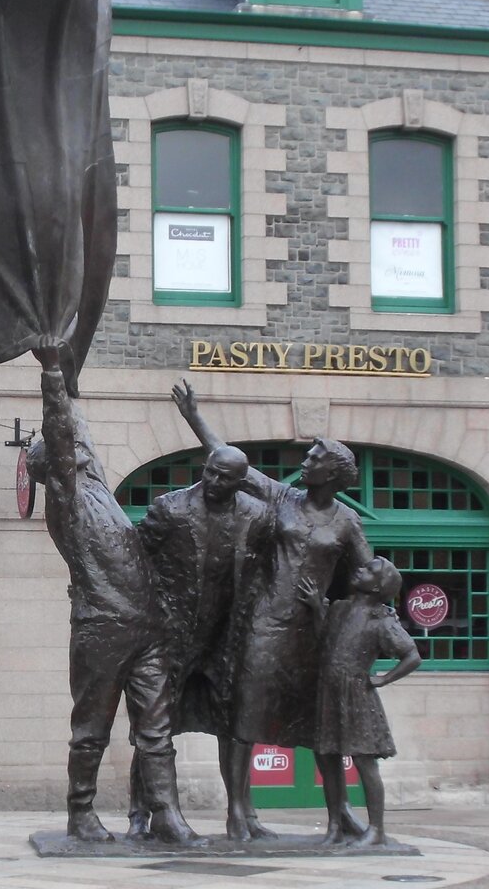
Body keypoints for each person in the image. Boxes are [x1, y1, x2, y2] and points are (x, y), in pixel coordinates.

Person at [172, 380, 373, 839]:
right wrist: (194, 417)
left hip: (311, 630)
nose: (305, 462)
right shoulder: (283, 498)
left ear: (333, 473)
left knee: (320, 722)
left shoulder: (347, 521)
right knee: (242, 716)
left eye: (314, 459)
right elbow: (231, 464)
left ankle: (339, 812)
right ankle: (240, 813)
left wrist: (348, 620)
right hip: (262, 624)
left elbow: (370, 579)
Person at [26, 337, 201, 844]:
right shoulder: (66, 492)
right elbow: (61, 428)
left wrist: (71, 370)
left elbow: (74, 426)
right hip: (102, 626)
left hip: (146, 627)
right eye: (72, 449)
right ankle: (80, 813)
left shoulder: (95, 483)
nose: (83, 448)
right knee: (91, 727)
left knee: (156, 728)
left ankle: (165, 813)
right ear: (55, 464)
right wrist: (53, 372)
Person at [127, 445, 273, 840]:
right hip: (170, 634)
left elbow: (265, 571)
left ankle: (241, 815)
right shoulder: (170, 509)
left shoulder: (258, 515)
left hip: (225, 635)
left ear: (240, 481)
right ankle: (141, 815)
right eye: (209, 472)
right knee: (154, 726)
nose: (212, 481)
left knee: (235, 723)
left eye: (223, 476)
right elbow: (134, 560)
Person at [302, 556, 421, 846]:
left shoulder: (381, 619)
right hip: (329, 691)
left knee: (365, 762)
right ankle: (334, 825)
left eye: (370, 570)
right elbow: (325, 641)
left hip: (356, 695)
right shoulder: (341, 608)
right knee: (327, 759)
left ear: (379, 585)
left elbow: (412, 656)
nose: (361, 569)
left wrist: (382, 679)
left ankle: (376, 828)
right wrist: (318, 610)